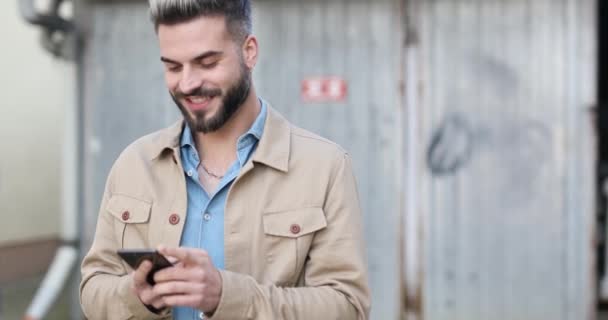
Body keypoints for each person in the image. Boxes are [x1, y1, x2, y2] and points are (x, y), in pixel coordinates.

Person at [79, 0, 370, 319]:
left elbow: (347, 308)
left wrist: (227, 297)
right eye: (173, 67)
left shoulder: (324, 167)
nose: (187, 83)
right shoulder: (133, 164)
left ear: (249, 51)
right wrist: (137, 296)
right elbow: (93, 290)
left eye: (206, 63)